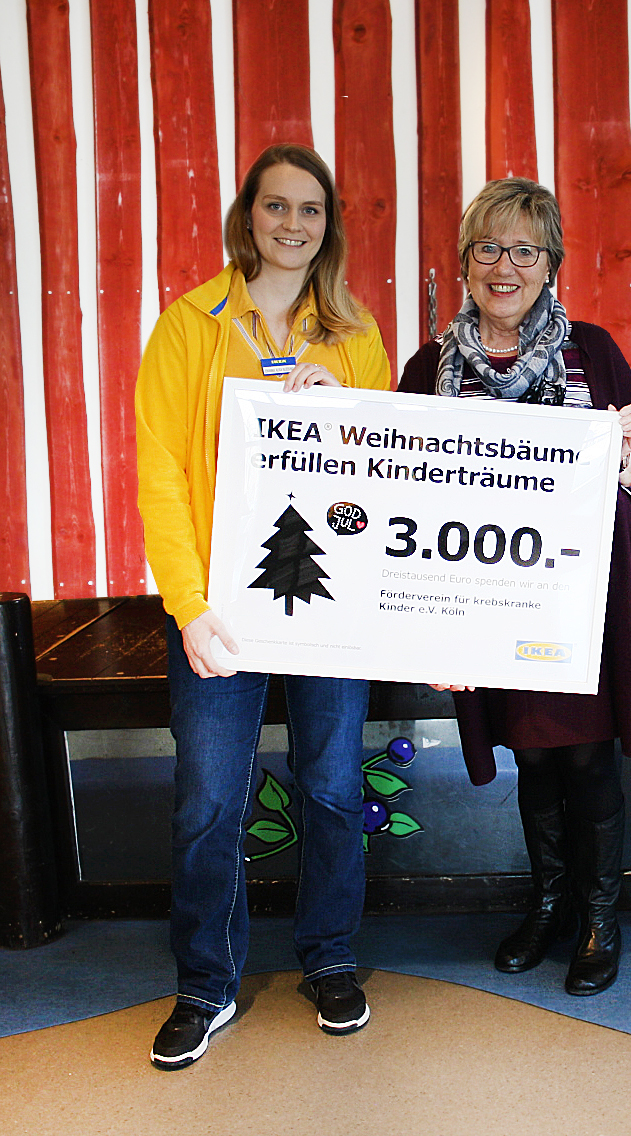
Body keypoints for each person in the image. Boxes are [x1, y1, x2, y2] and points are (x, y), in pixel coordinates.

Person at [136, 144, 390, 1069]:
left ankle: (330, 957)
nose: (293, 224)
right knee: (208, 800)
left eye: (310, 210)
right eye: (276, 206)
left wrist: (348, 409)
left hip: (329, 605)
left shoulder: (354, 333)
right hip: (221, 610)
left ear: (329, 226)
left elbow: (387, 474)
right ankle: (205, 983)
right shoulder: (187, 326)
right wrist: (189, 605)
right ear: (248, 216)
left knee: (332, 787)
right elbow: (162, 476)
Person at [398, 177, 631, 996]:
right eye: (487, 248)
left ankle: (598, 916)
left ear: (550, 265)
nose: (504, 266)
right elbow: (396, 479)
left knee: (584, 755)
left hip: (587, 593)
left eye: (524, 250)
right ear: (464, 263)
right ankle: (549, 903)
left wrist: (627, 451)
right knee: (530, 751)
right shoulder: (429, 368)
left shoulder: (592, 350)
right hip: (486, 595)